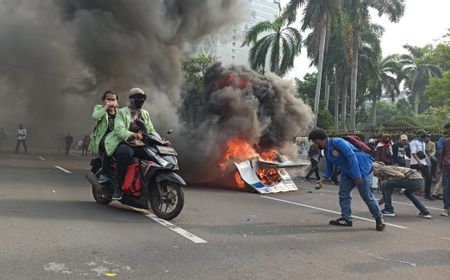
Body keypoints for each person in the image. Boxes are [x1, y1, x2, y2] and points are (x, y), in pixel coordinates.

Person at [308, 128, 385, 231]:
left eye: (313, 142)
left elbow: (351, 157)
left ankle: (379, 218)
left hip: (361, 169)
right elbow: (330, 166)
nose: (314, 145)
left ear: (317, 140)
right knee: (343, 194)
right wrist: (323, 179)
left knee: (367, 196)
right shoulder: (326, 151)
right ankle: (346, 218)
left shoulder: (337, 142)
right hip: (347, 171)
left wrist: (357, 176)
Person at [105, 88, 156, 200]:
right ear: (131, 99)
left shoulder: (145, 114)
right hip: (124, 143)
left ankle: (145, 185)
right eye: (138, 98)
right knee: (125, 154)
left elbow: (151, 130)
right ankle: (118, 187)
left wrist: (161, 140)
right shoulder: (122, 112)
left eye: (143, 98)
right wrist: (133, 135)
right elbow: (119, 130)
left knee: (152, 154)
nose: (141, 100)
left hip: (139, 144)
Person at [88, 90, 119, 183]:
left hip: (117, 139)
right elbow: (95, 116)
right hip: (102, 139)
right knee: (109, 147)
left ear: (117, 101)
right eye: (108, 99)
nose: (110, 101)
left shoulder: (121, 112)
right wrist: (106, 107)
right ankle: (104, 174)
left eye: (113, 99)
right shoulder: (99, 108)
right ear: (103, 100)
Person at [409, 130, 434, 200]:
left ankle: (427, 194)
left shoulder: (423, 142)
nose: (424, 135)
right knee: (412, 178)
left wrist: (427, 161)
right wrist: (418, 161)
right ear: (418, 135)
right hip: (415, 163)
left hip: (423, 162)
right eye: (423, 134)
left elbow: (423, 152)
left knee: (429, 178)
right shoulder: (413, 142)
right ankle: (409, 191)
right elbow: (413, 153)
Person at [438, 122, 450, 217]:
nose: (445, 131)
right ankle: (446, 208)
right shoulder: (445, 141)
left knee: (446, 188)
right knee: (446, 188)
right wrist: (440, 166)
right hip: (446, 165)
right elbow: (442, 154)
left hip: (446, 165)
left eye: (447, 129)